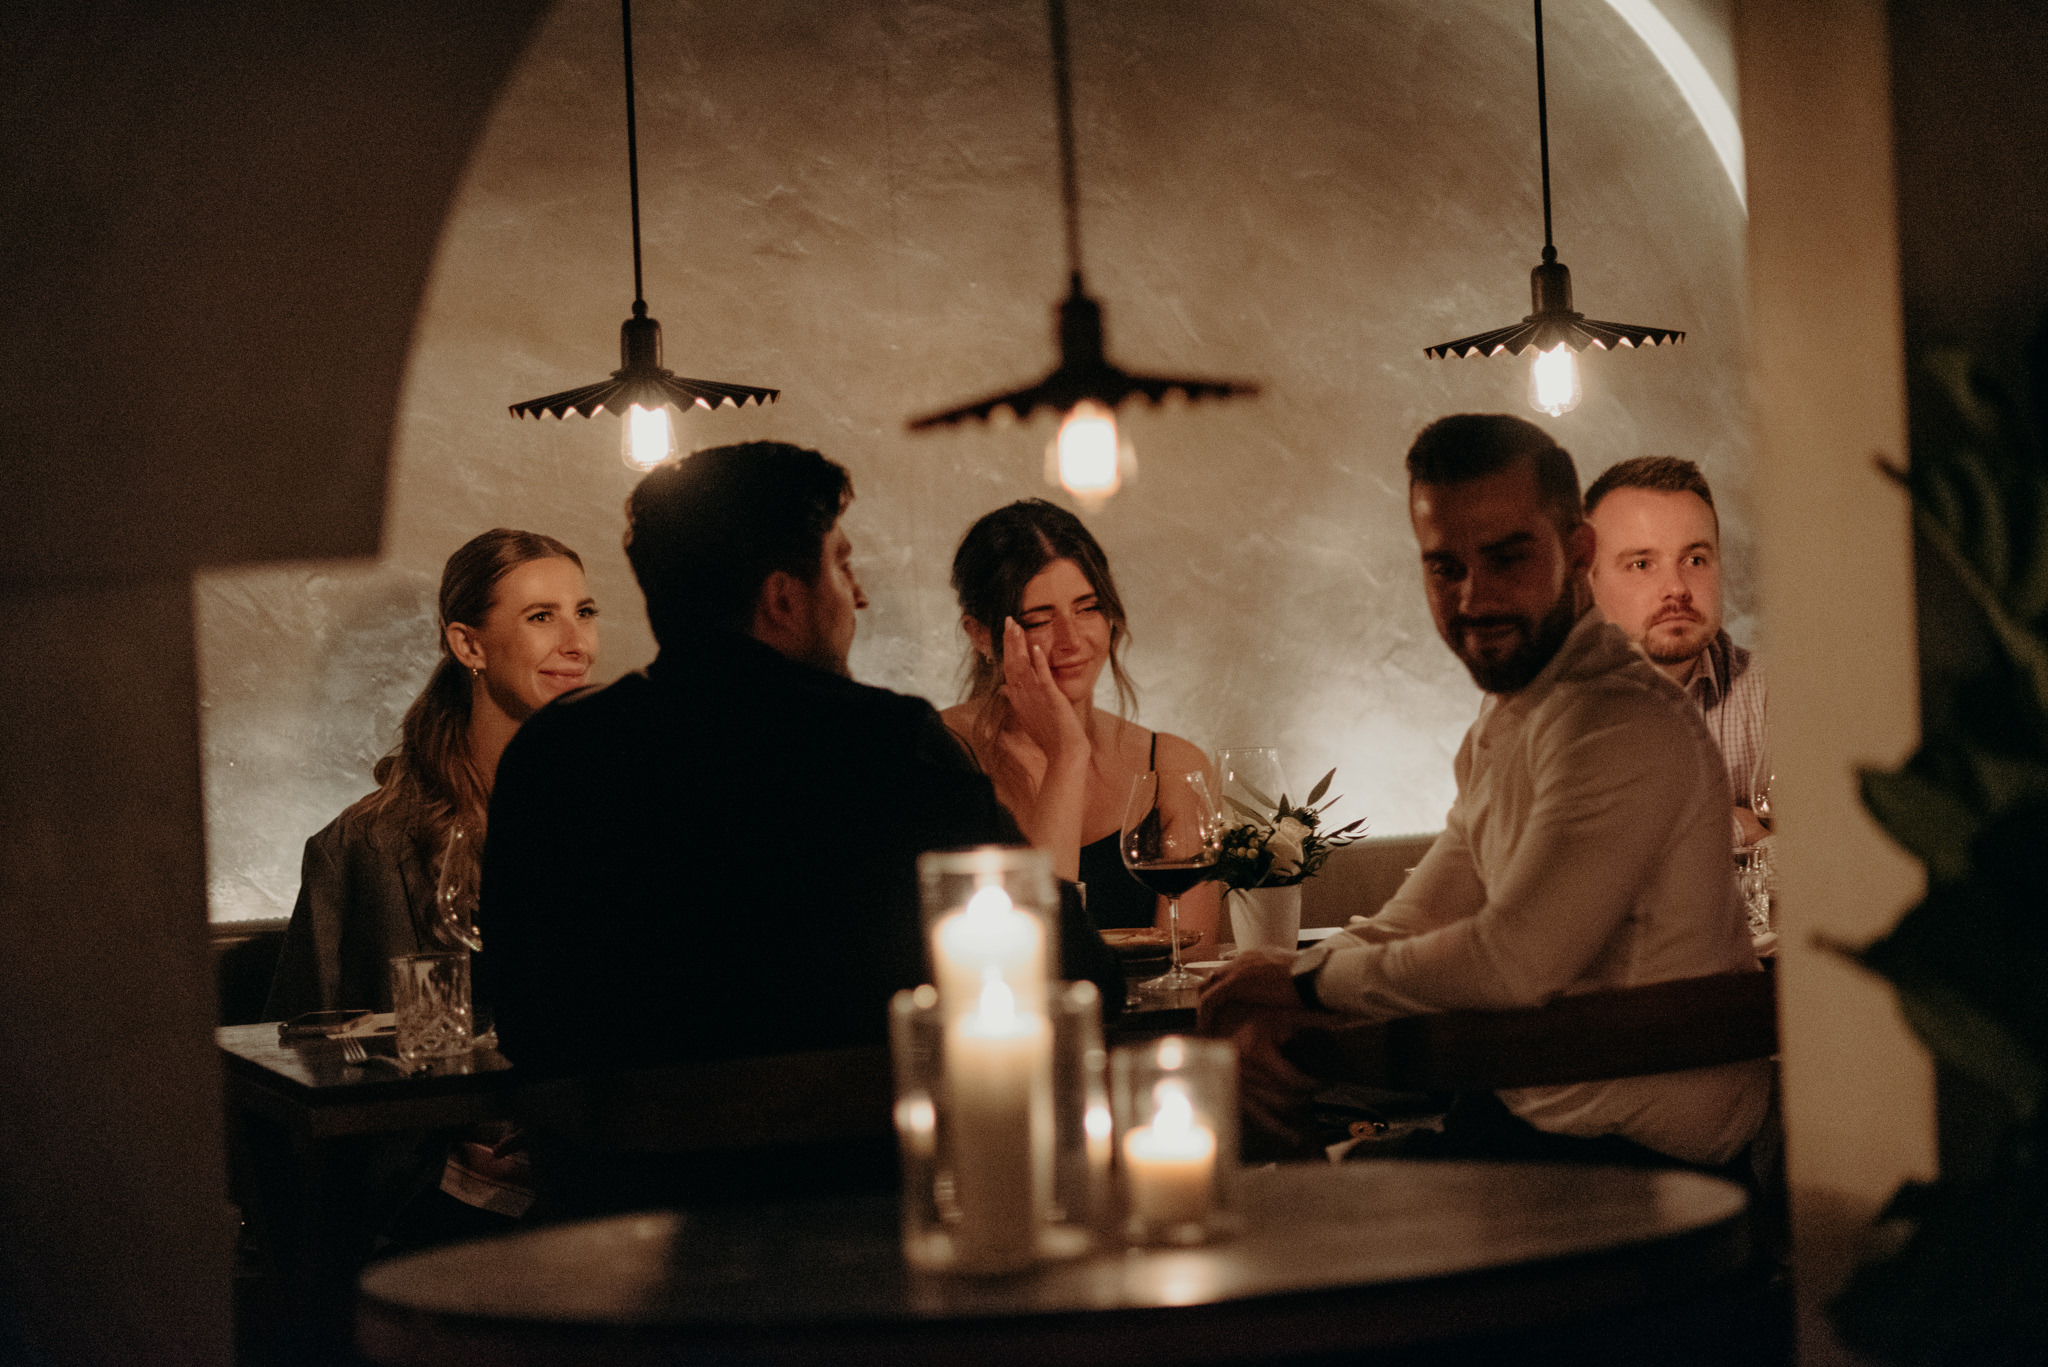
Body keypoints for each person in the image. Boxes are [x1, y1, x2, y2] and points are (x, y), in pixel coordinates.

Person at [1200, 415, 1769, 1171]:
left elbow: (1512, 960)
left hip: (1650, 1176)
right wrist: (1276, 986)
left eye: (1507, 558)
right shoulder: (1514, 718)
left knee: (1275, 1224)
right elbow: (1417, 916)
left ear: (1576, 552)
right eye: (1446, 568)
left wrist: (1304, 983)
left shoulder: (1617, 719)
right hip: (1530, 1136)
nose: (1474, 598)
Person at [485, 445, 1122, 1094]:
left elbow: (518, 1022)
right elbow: (1074, 974)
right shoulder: (891, 743)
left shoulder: (551, 755)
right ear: (784, 599)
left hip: (614, 1187)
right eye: (842, 566)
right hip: (861, 1179)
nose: (861, 596)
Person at [265, 528, 599, 1019]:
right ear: (468, 645)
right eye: (542, 617)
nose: (577, 644)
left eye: (585, 613)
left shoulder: (624, 811)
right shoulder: (364, 846)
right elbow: (301, 1049)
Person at [942, 500, 1221, 948]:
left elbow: (1189, 966)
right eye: (1039, 620)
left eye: (1087, 608)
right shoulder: (939, 757)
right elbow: (1029, 948)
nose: (1071, 641)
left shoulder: (1172, 767)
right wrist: (1068, 756)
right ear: (979, 635)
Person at [1584, 456, 1769, 848]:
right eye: (1641, 564)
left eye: (1695, 560)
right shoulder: (1541, 704)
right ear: (1589, 582)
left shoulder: (1772, 695)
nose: (1676, 587)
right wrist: (1730, 824)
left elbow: (1824, 854)